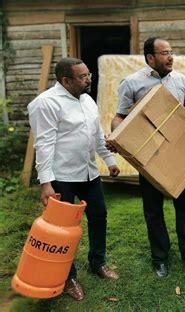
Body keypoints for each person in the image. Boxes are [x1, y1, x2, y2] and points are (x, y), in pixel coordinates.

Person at [109, 37, 185, 278]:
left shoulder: (181, 80)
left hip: (179, 153)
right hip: (150, 156)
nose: (171, 57)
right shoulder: (132, 83)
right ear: (150, 58)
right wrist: (117, 136)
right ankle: (160, 258)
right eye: (164, 53)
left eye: (171, 52)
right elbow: (120, 117)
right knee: (153, 210)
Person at [27, 58, 121, 301]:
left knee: (99, 216)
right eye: (82, 77)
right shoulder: (45, 103)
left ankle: (97, 262)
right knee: (63, 232)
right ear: (65, 80)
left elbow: (97, 135)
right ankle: (67, 278)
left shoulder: (87, 100)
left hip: (89, 173)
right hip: (62, 177)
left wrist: (109, 162)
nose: (89, 79)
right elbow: (44, 144)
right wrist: (46, 183)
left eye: (88, 74)